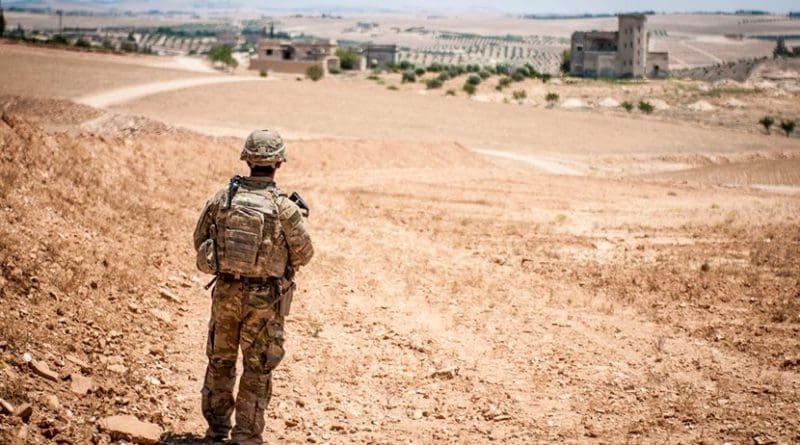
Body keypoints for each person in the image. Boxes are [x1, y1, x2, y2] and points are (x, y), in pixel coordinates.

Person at [193, 129, 314, 444]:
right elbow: (304, 254)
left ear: (247, 160)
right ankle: (246, 436)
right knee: (257, 368)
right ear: (278, 163)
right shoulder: (285, 208)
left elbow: (199, 240)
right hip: (264, 301)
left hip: (225, 293)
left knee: (220, 360)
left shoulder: (224, 198)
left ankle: (216, 430)